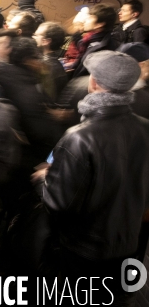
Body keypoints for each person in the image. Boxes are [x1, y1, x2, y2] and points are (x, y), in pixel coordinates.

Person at [38, 50, 149, 306]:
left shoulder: (79, 136)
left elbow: (57, 204)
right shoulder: (145, 127)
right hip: (128, 244)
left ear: (95, 82)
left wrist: (45, 178)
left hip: (80, 252)